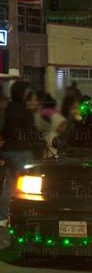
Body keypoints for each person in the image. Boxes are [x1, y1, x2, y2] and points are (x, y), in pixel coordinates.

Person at [0, 81, 41, 226]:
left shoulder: (8, 108)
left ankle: (3, 217)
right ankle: (25, 216)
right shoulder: (25, 110)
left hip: (8, 150)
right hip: (22, 151)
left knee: (9, 185)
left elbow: (4, 129)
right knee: (29, 185)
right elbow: (31, 131)